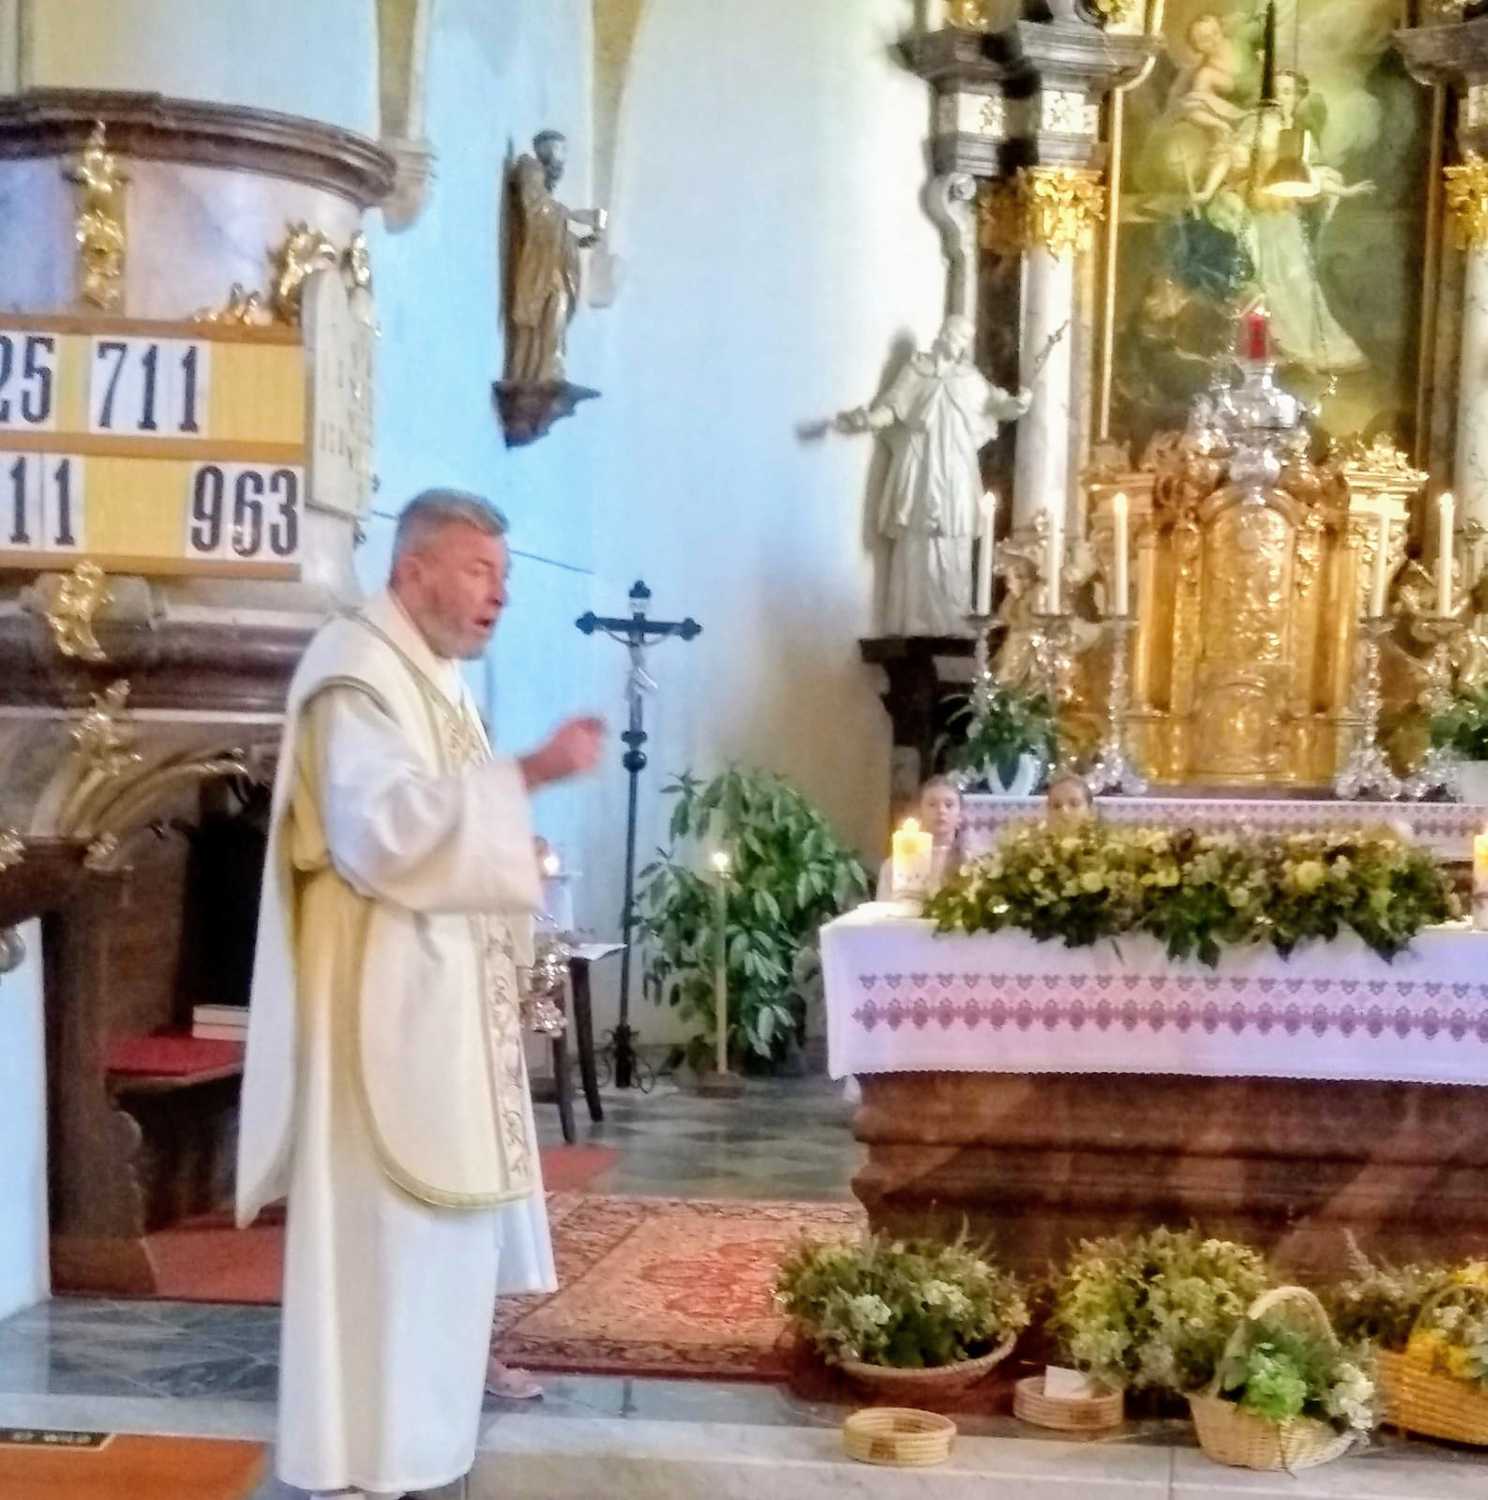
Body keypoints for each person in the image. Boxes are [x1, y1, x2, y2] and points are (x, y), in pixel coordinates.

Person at [235, 489, 605, 1500]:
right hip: (383, 1012)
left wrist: (510, 826)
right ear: (412, 571)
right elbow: (381, 832)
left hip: (436, 1005)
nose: (501, 595)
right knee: (389, 1245)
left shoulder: (430, 675)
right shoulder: (355, 673)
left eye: (505, 575)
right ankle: (366, 1460)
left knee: (437, 1247)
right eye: (481, 570)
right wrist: (530, 775)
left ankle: (421, 1453)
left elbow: (447, 816)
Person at [838, 314, 1030, 638]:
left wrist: (1020, 403)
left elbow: (998, 405)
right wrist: (867, 420)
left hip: (955, 469)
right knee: (919, 534)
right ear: (943, 335)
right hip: (923, 465)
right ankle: (914, 618)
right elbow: (893, 408)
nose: (958, 344)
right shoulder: (917, 371)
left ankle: (952, 618)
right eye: (955, 336)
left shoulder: (969, 379)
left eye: (964, 339)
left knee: (954, 534)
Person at [505, 129, 604, 384]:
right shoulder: (530, 171)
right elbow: (537, 213)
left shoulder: (544, 190)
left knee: (554, 313)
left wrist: (583, 237)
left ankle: (544, 369)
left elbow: (558, 233)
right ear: (547, 152)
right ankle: (541, 370)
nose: (563, 162)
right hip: (540, 270)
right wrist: (575, 217)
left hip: (552, 268)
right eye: (560, 153)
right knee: (549, 311)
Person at [876, 775, 964, 899]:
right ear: (920, 813)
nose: (941, 810)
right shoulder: (894, 866)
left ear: (960, 816)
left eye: (949, 805)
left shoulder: (972, 864)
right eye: (932, 804)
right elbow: (883, 907)